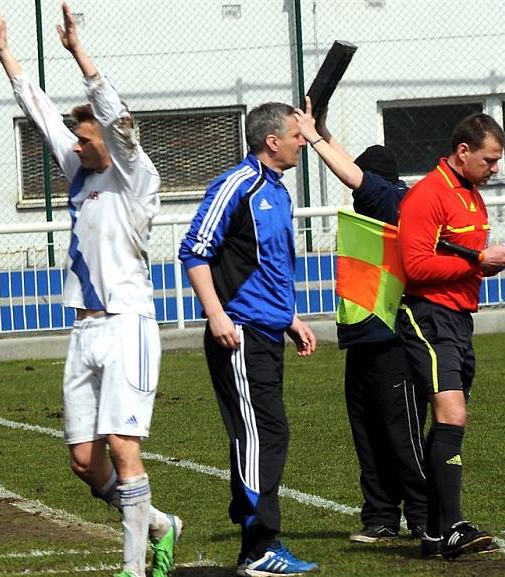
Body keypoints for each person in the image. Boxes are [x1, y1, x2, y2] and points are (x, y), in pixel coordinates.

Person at [0, 6, 180, 577]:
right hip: (85, 327)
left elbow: (116, 115)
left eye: (86, 131)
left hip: (128, 323)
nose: (76, 139)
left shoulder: (135, 174)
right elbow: (40, 111)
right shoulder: (78, 172)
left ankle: (133, 567)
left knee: (124, 449)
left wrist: (79, 52)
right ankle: (159, 524)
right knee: (83, 461)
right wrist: (6, 59)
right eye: (76, 133)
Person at [179, 101, 318, 576]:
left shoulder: (278, 192)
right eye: (297, 135)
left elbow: (267, 266)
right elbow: (194, 251)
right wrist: (216, 315)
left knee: (263, 433)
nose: (304, 142)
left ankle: (256, 544)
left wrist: (289, 319)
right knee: (263, 433)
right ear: (272, 141)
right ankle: (259, 548)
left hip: (266, 329)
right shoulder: (238, 184)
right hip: (237, 332)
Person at [294, 100, 428, 543]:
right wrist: (325, 129)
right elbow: (354, 169)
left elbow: (353, 175)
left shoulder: (393, 201)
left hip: (394, 339)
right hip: (363, 338)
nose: (356, 192)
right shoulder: (384, 198)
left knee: (401, 435)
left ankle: (426, 516)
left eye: (363, 183)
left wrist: (313, 138)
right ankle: (381, 518)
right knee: (368, 436)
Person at [396, 113, 505, 559]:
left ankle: (433, 530)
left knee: (450, 420)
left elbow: (464, 257)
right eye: (490, 160)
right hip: (426, 316)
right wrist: (478, 262)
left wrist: (494, 260)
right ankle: (450, 528)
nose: (495, 169)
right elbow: (415, 267)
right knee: (451, 414)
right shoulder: (427, 194)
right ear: (464, 151)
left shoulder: (473, 196)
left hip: (458, 319)